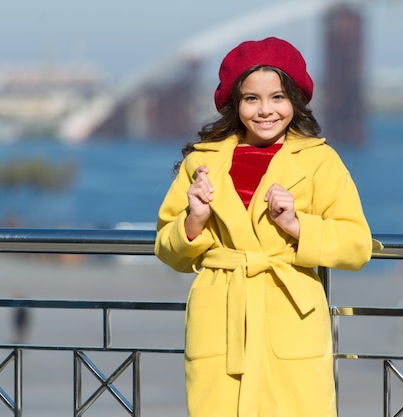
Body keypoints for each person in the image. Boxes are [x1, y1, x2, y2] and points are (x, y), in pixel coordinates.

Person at [155, 36, 373, 417]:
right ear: (234, 104)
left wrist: (296, 224)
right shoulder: (202, 163)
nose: (265, 110)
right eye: (251, 98)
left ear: (295, 101)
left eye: (278, 97)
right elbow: (167, 250)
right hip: (220, 316)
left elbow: (357, 245)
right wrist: (195, 220)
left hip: (290, 318)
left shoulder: (320, 161)